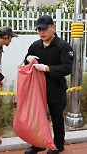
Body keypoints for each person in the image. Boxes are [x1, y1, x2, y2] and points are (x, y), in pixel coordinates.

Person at [23, 15, 74, 154]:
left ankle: (58, 144)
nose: (42, 32)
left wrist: (47, 68)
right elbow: (26, 61)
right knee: (37, 116)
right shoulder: (36, 45)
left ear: (53, 27)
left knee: (56, 116)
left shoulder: (63, 46)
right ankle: (38, 143)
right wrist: (28, 58)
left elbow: (67, 68)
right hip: (38, 87)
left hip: (55, 87)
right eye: (39, 30)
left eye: (44, 29)